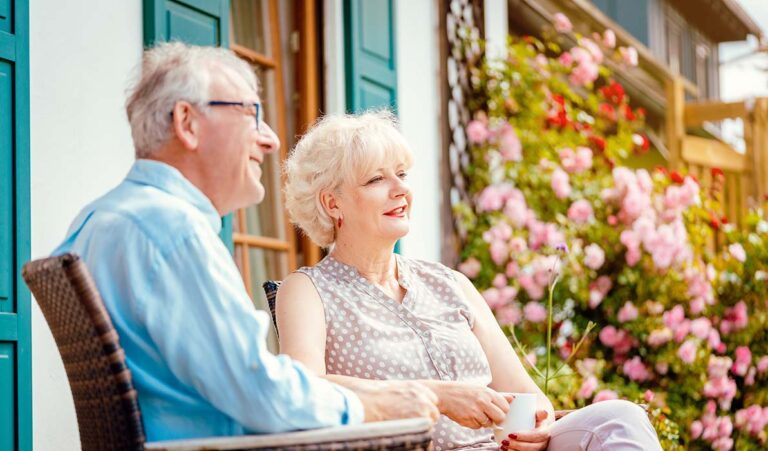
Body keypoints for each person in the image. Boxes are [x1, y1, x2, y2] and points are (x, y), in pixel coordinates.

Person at [52, 43, 439, 442]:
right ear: (188, 122)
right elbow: (263, 394)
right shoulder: (172, 232)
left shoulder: (95, 222)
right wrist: (375, 406)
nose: (270, 140)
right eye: (252, 113)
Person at [279, 111, 664, 450]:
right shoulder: (309, 290)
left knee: (620, 418)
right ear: (333, 203)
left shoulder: (449, 283)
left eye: (401, 174)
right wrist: (437, 396)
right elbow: (304, 387)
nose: (400, 189)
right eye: (377, 179)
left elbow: (531, 399)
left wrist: (537, 428)